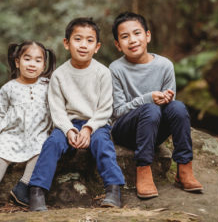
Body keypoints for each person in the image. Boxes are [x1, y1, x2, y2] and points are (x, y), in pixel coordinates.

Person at [28, 17, 125, 211]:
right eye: (78, 39)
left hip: (96, 124)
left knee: (103, 144)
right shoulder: (59, 75)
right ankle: (37, 191)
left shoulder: (103, 73)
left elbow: (105, 108)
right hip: (68, 124)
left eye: (90, 41)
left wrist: (89, 128)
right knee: (52, 143)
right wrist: (69, 130)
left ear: (97, 47)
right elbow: (57, 109)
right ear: (66, 43)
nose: (83, 45)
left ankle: (113, 190)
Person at [109, 12, 203, 200]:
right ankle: (143, 169)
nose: (133, 40)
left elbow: (170, 108)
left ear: (148, 36)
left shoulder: (164, 65)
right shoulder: (115, 69)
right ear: (118, 45)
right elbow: (117, 112)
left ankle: (184, 168)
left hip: (154, 129)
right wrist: (148, 98)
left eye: (137, 33)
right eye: (125, 37)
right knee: (150, 108)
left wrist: (165, 99)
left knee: (178, 107)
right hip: (125, 131)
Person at [0, 41, 56, 210]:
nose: (32, 64)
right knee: (0, 157)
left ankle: (22, 187)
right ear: (17, 62)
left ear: (44, 65)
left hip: (38, 132)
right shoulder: (8, 89)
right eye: (27, 59)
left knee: (41, 152)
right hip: (12, 133)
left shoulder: (47, 85)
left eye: (38, 60)